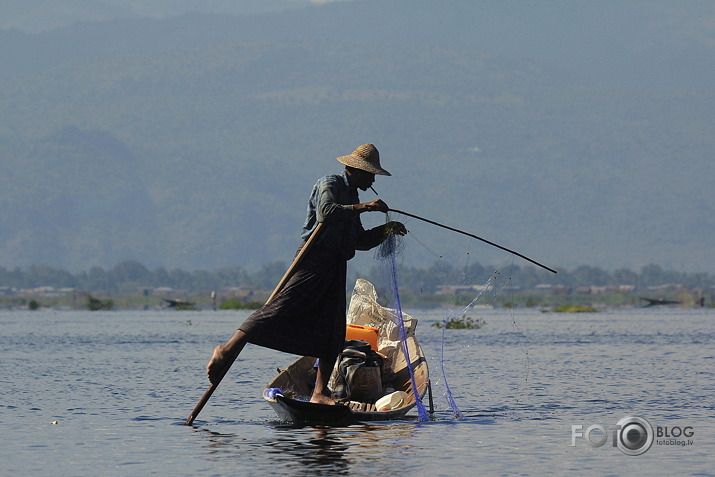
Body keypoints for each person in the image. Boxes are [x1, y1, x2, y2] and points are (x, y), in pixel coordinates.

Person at [206, 143, 407, 405]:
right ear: (356, 170)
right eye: (370, 174)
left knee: (333, 330)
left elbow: (359, 240)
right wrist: (366, 207)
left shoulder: (354, 196)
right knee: (280, 308)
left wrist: (387, 229)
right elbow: (326, 213)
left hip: (335, 264)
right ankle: (227, 349)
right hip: (313, 258)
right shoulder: (330, 183)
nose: (371, 180)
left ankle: (319, 393)